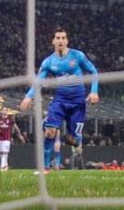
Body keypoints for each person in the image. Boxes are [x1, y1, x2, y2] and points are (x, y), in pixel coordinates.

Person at [19, 27, 99, 173]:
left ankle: (71, 142)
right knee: (49, 132)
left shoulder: (77, 56)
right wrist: (29, 96)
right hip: (60, 101)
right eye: (58, 38)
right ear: (53, 41)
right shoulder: (48, 62)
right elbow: (38, 81)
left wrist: (94, 91)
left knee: (73, 140)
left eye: (63, 38)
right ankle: (45, 167)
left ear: (67, 40)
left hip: (78, 103)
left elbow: (94, 72)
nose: (60, 40)